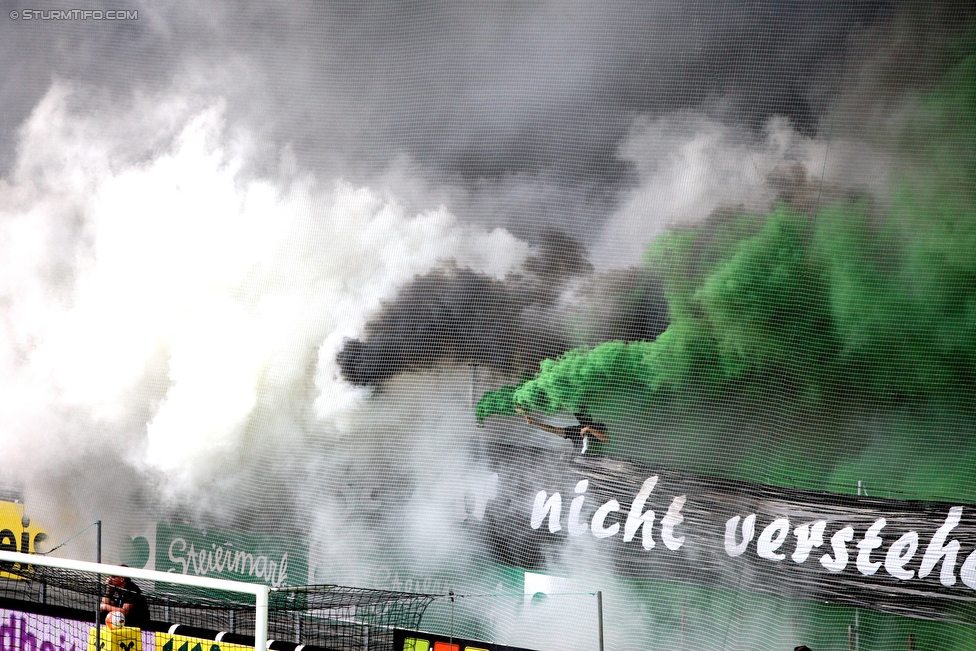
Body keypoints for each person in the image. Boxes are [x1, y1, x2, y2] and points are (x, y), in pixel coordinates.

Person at [519, 406, 609, 453]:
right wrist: (535, 423)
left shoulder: (597, 427)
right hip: (578, 458)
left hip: (594, 457)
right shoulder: (576, 430)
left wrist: (589, 429)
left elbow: (605, 439)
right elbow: (554, 429)